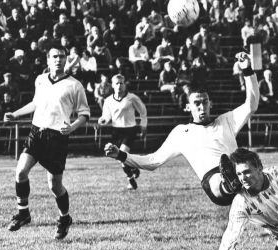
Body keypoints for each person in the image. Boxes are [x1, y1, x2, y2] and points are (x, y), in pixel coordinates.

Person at [104, 52, 260, 206]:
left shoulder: (226, 120)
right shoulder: (182, 133)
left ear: (210, 104)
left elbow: (251, 105)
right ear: (188, 107)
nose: (202, 107)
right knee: (217, 179)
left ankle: (236, 179)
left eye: (205, 102)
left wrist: (247, 70)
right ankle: (228, 184)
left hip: (240, 172)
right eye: (197, 103)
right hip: (213, 180)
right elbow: (152, 161)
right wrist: (120, 155)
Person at [3, 46, 90, 240]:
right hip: (37, 132)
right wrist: (15, 114)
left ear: (66, 59)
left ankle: (64, 218)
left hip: (57, 137)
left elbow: (84, 114)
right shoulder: (40, 80)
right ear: (48, 60)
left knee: (54, 186)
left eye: (62, 56)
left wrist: (72, 127)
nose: (58, 59)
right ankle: (23, 213)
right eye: (54, 56)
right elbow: (35, 103)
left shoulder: (75, 85)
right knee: (20, 171)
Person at [98, 74, 148, 190]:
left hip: (130, 130)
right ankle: (134, 168)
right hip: (116, 131)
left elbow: (143, 111)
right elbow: (106, 116)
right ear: (112, 85)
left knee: (121, 154)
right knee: (119, 156)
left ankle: (130, 180)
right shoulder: (108, 100)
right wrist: (102, 120)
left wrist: (143, 125)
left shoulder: (132, 98)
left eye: (121, 83)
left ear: (125, 85)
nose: (119, 85)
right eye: (117, 83)